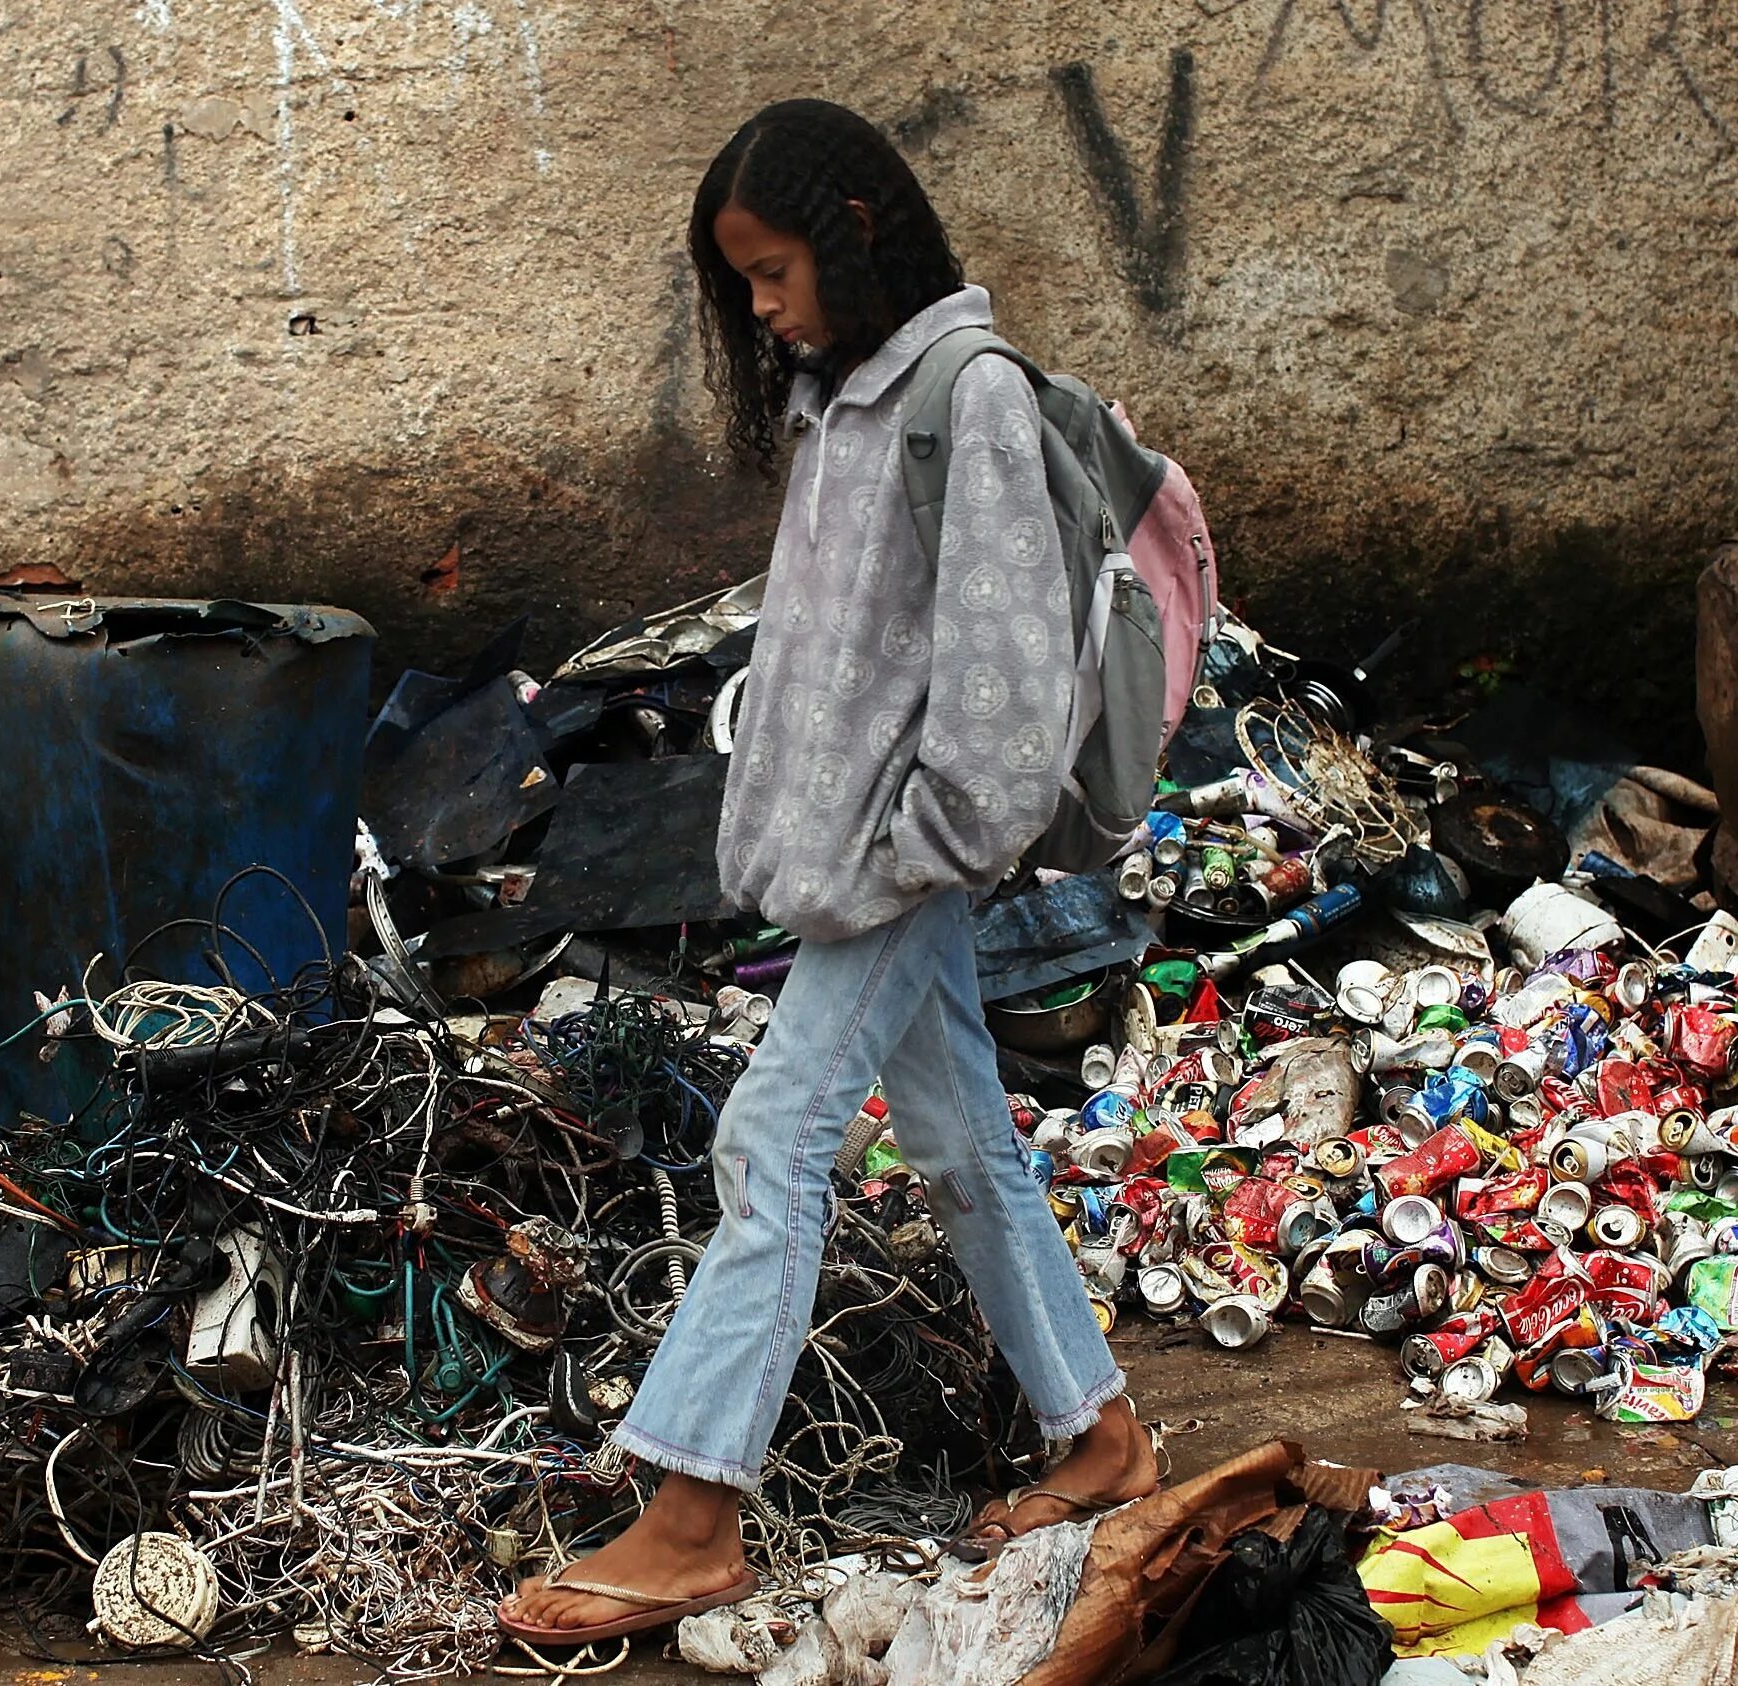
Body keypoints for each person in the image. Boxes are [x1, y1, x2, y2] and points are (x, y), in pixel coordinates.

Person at [496, 98, 1160, 1650]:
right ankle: (1104, 1434)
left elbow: (999, 690)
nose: (761, 306)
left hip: (893, 861)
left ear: (857, 235)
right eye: (739, 284)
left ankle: (689, 1517)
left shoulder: (965, 396)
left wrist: (912, 851)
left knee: (769, 1142)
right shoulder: (850, 396)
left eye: (773, 269)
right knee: (964, 1139)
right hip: (850, 859)